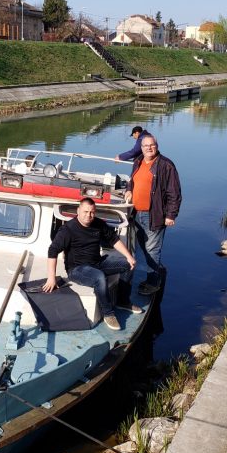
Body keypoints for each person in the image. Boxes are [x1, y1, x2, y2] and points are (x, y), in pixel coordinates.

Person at [43, 197, 141, 331]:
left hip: (97, 262)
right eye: (85, 211)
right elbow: (52, 250)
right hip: (77, 269)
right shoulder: (68, 230)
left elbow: (113, 240)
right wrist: (51, 277)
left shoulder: (98, 224)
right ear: (78, 210)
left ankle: (122, 301)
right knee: (99, 277)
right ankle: (108, 313)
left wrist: (129, 256)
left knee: (128, 265)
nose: (89, 215)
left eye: (92, 212)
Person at [125, 135, 181, 295]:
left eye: (152, 145)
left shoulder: (166, 165)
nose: (149, 148)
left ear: (157, 146)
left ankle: (153, 283)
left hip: (154, 214)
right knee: (143, 248)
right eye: (146, 145)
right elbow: (132, 180)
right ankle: (156, 272)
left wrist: (171, 215)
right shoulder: (138, 161)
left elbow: (174, 193)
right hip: (136, 214)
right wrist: (129, 189)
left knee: (152, 250)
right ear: (141, 147)